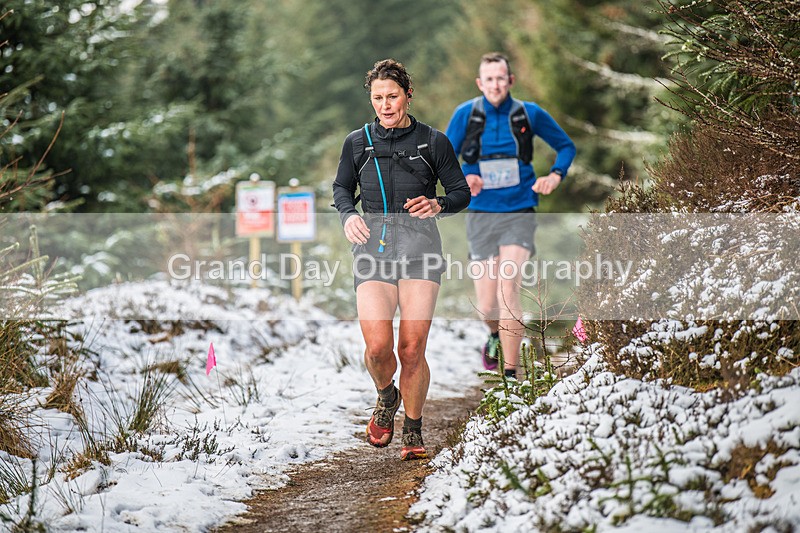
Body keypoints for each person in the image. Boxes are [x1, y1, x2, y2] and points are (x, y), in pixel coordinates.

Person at [332, 59, 470, 460]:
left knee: (411, 349)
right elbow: (341, 187)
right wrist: (348, 215)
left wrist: (438, 203)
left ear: (408, 94)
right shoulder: (356, 143)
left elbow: (460, 192)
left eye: (392, 96)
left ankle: (413, 428)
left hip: (420, 250)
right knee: (378, 349)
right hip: (372, 250)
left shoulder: (433, 142)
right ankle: (385, 395)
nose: (385, 105)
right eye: (378, 98)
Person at [445, 52, 576, 378]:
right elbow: (442, 158)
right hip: (480, 215)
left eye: (501, 78)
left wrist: (555, 175)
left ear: (510, 81)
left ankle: (511, 374)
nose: (495, 84)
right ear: (480, 83)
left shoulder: (529, 114)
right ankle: (493, 336)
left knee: (509, 288)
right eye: (489, 79)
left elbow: (566, 146)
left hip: (520, 210)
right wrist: (463, 178)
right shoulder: (466, 114)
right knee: (487, 303)